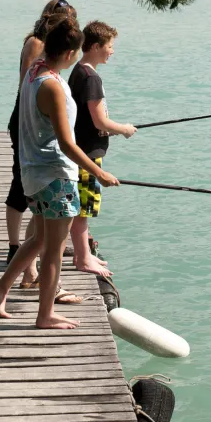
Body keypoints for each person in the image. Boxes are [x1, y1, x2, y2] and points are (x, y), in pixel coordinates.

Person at [0, 15, 119, 329]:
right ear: (69, 53)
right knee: (53, 251)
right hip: (55, 176)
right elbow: (67, 143)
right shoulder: (52, 87)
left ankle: (0, 287)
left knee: (38, 239)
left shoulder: (34, 72)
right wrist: (98, 173)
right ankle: (44, 315)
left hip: (34, 174)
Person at [5, 0, 76, 278]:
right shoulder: (37, 47)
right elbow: (28, 86)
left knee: (40, 224)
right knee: (21, 187)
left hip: (40, 124)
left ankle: (20, 272)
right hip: (31, 121)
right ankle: (16, 250)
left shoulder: (52, 65)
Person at [68, 21, 136, 277]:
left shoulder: (78, 71)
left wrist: (109, 129)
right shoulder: (92, 78)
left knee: (80, 206)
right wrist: (123, 129)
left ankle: (82, 253)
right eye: (109, 46)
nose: (112, 51)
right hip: (87, 153)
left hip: (80, 148)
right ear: (96, 47)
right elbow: (99, 121)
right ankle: (83, 258)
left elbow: (89, 120)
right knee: (83, 208)